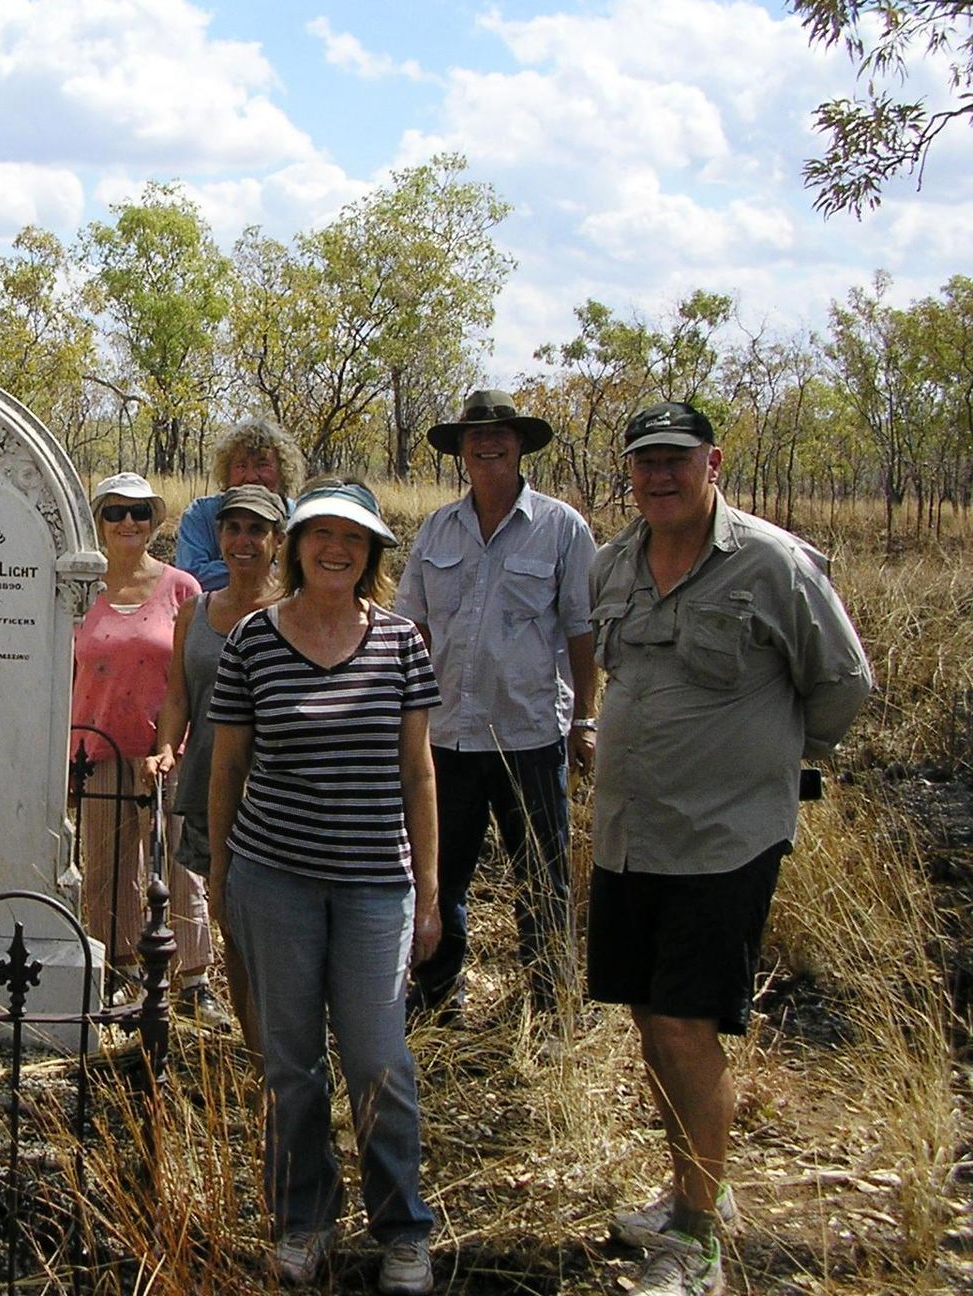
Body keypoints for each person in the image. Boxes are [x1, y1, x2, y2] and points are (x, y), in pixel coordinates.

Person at [587, 403, 871, 1296]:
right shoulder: (612, 563)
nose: (659, 476)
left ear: (711, 462)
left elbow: (841, 686)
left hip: (722, 843)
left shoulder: (773, 563)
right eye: (644, 462)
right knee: (650, 1023)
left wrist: (771, 762)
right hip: (630, 838)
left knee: (684, 1027)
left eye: (675, 460)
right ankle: (690, 1195)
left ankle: (699, 1242)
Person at [208, 481, 440, 1294]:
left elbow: (418, 771)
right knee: (292, 1064)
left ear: (371, 551)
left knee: (379, 1060)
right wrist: (219, 879)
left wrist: (432, 889)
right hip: (274, 881)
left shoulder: (402, 643)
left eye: (353, 537)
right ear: (297, 544)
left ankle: (404, 1228)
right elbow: (229, 764)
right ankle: (301, 1219)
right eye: (320, 535)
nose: (335, 549)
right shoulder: (252, 643)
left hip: (378, 883)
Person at [396, 389, 598, 1020]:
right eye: (474, 436)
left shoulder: (562, 527)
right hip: (447, 738)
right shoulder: (436, 528)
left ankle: (552, 1010)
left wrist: (586, 719)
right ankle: (434, 999)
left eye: (500, 435)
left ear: (519, 445)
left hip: (530, 739)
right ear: (460, 451)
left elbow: (582, 631)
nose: (488, 444)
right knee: (440, 879)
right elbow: (412, 629)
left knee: (542, 881)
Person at [140, 483, 285, 1047]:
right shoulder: (196, 612)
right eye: (233, 528)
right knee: (232, 921)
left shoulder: (294, 612)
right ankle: (259, 1058)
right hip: (211, 788)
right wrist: (166, 746)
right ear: (218, 536)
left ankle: (295, 1056)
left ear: (278, 542)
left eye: (257, 530)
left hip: (278, 793)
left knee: (278, 930)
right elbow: (178, 695)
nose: (243, 541)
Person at [71, 473, 217, 1021]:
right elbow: (69, 671)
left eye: (139, 512)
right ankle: (120, 970)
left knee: (180, 865)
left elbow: (195, 676)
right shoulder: (80, 588)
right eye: (115, 512)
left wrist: (181, 746)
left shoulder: (183, 590)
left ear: (156, 521)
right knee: (107, 868)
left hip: (167, 751)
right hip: (96, 747)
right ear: (100, 522)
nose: (127, 522)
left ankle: (193, 980)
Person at [174, 418, 305, 591]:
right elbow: (191, 579)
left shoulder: (300, 517)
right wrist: (274, 572)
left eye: (262, 465)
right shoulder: (202, 514)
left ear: (283, 470)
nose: (251, 477)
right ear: (226, 473)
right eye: (241, 466)